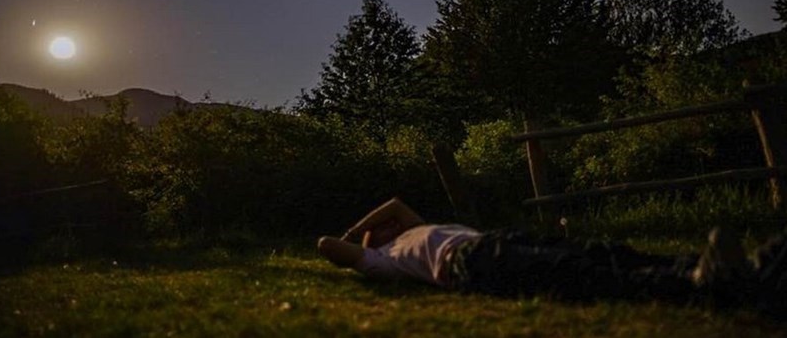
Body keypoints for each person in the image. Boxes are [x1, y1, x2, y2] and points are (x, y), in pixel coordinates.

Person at [317, 198, 785, 314]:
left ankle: (744, 269)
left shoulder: (413, 226)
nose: (392, 221)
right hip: (470, 265)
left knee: (608, 252)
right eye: (384, 226)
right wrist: (361, 236)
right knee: (579, 273)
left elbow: (397, 202)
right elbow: (326, 246)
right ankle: (703, 285)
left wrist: (385, 223)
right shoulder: (385, 258)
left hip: (495, 240)